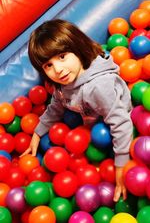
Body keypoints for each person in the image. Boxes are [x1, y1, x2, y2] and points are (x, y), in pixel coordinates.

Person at [21, 19, 133, 202]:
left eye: (62, 56)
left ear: (77, 47)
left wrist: (121, 165)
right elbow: (56, 106)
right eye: (48, 65)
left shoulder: (98, 87)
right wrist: (38, 133)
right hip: (90, 123)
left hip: (120, 127)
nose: (58, 69)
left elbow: (121, 123)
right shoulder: (62, 83)